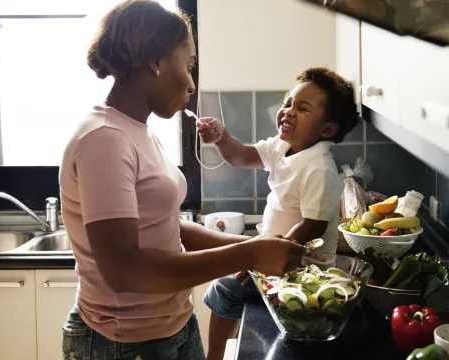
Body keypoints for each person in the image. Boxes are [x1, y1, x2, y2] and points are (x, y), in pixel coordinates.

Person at [59, 1, 320, 359]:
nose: (192, 81)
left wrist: (247, 248)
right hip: (123, 343)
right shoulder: (103, 139)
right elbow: (123, 270)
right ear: (156, 62)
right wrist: (247, 252)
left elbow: (169, 228)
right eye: (189, 64)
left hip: (173, 327)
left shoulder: (138, 132)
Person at [197, 67, 360, 360]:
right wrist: (222, 137)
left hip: (300, 269)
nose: (288, 111)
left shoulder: (319, 169)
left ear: (327, 130)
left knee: (223, 288)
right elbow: (241, 156)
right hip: (272, 256)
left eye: (302, 108)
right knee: (229, 284)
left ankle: (214, 356)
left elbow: (312, 227)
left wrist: (260, 259)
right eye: (288, 103)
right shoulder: (282, 146)